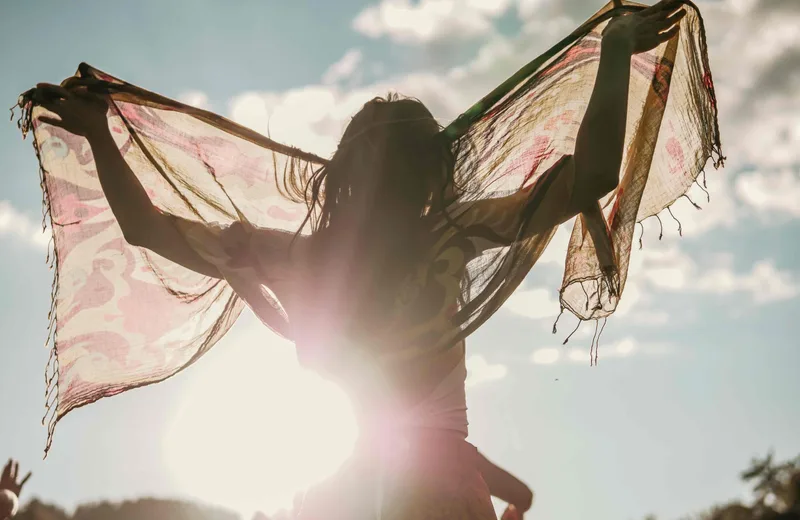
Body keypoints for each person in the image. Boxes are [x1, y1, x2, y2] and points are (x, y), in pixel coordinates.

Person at [28, 0, 700, 518]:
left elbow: (147, 229)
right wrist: (612, 51)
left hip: (367, 491)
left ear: (346, 177)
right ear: (431, 177)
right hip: (426, 487)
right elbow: (589, 178)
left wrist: (100, 139)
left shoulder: (325, 255)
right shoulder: (447, 234)